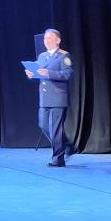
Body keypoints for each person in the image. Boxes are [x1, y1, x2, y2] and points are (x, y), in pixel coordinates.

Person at [25, 28, 74, 167]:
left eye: (49, 38)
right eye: (45, 38)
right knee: (44, 125)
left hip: (58, 97)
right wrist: (32, 75)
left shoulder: (64, 55)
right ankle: (67, 145)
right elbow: (39, 75)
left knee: (56, 129)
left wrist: (49, 73)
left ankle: (58, 160)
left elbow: (68, 73)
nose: (46, 41)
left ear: (58, 40)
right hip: (44, 98)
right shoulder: (42, 56)